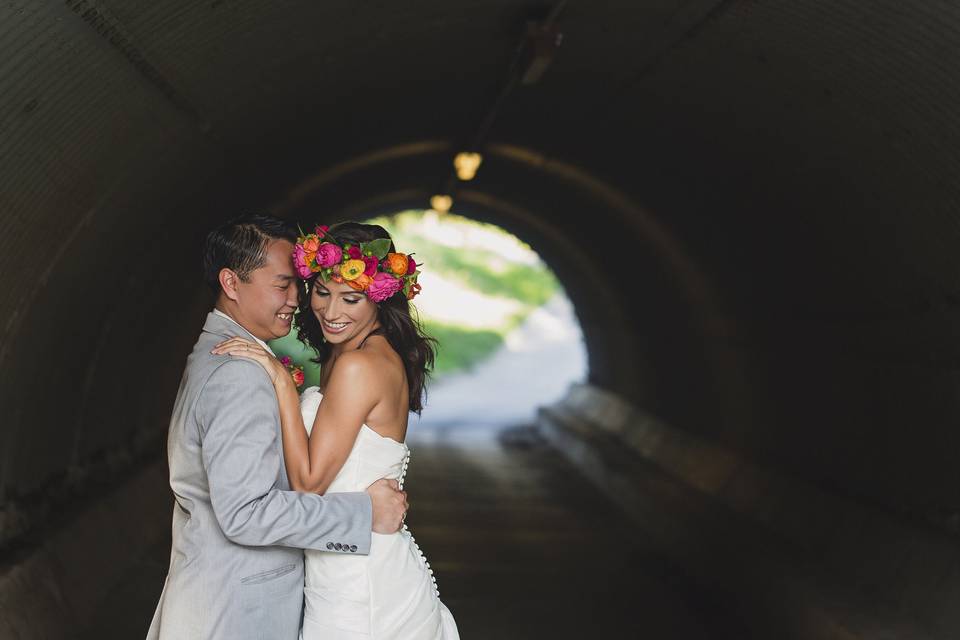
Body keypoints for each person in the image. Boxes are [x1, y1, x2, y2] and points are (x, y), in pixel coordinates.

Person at [147, 215, 408, 640]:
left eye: (298, 286)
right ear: (231, 284)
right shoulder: (238, 372)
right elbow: (245, 513)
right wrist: (364, 513)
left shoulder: (229, 355)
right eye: (284, 285)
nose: (299, 300)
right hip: (235, 612)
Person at [212, 221, 460, 639]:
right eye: (322, 293)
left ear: (380, 299)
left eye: (351, 299)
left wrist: (279, 383)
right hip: (344, 565)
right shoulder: (352, 354)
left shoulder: (358, 365)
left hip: (360, 585)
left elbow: (309, 483)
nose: (331, 311)